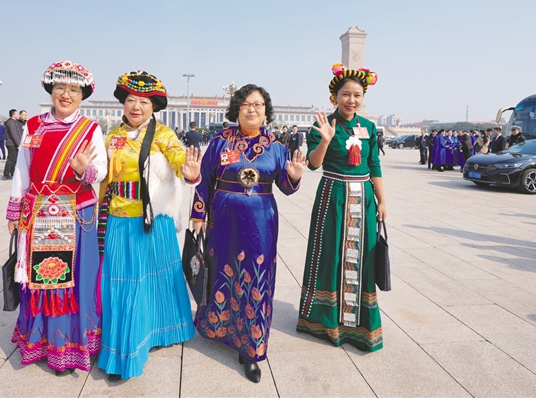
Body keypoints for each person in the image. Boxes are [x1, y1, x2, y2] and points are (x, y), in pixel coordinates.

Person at [191, 84, 306, 383]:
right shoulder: (220, 142)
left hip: (260, 223)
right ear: (237, 109)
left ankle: (252, 348)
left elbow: (286, 186)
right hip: (222, 220)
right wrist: (198, 214)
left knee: (257, 279)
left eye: (258, 104)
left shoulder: (276, 147)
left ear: (266, 111)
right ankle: (219, 328)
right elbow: (205, 181)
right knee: (220, 272)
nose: (252, 109)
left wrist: (294, 178)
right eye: (246, 104)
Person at [97, 71, 201, 381]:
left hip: (153, 220)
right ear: (123, 103)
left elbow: (179, 158)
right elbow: (102, 178)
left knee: (158, 277)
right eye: (131, 100)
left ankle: (162, 329)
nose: (136, 107)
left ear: (153, 107)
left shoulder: (163, 135)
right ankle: (126, 349)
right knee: (125, 283)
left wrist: (189, 171)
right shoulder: (112, 137)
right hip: (119, 218)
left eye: (143, 102)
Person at [6, 61, 107, 375]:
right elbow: (22, 167)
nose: (66, 95)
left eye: (74, 90)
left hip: (76, 212)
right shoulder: (33, 125)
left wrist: (84, 170)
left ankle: (70, 344)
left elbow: (101, 170)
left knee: (74, 279)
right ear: (51, 90)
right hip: (39, 211)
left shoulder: (90, 128)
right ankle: (41, 340)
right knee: (42, 279)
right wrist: (14, 210)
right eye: (61, 88)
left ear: (82, 95)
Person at [297, 63, 387, 353]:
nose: (351, 100)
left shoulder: (369, 127)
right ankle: (325, 321)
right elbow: (313, 164)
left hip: (364, 199)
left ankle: (359, 325)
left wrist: (382, 199)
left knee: (363, 259)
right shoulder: (323, 124)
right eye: (346, 94)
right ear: (334, 97)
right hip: (333, 196)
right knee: (330, 256)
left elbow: (374, 164)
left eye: (357, 95)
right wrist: (325, 140)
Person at [3, 109, 23, 180]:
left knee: (14, 159)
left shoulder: (13, 122)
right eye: (16, 114)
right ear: (13, 115)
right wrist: (18, 144)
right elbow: (14, 134)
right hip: (12, 143)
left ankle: (12, 173)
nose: (17, 115)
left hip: (12, 143)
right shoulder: (11, 122)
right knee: (11, 159)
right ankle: (6, 174)